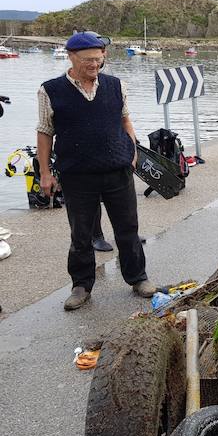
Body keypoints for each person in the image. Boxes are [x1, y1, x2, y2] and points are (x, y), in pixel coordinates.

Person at [36, 31, 156, 311]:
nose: (94, 65)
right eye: (88, 60)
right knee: (80, 234)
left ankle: (138, 278)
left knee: (128, 229)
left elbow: (125, 120)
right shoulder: (50, 90)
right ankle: (81, 285)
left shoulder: (116, 85)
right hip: (76, 174)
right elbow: (44, 133)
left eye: (98, 59)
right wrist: (45, 172)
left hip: (117, 169)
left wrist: (134, 151)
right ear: (71, 57)